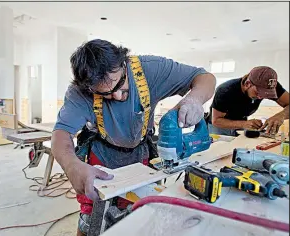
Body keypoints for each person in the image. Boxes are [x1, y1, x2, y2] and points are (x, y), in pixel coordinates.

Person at [51, 39, 216, 235]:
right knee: (91, 217)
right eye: (106, 94)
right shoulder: (79, 91)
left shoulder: (151, 70)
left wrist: (195, 99)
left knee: (140, 211)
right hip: (102, 153)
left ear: (123, 63)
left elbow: (204, 77)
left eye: (120, 84)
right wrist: (72, 165)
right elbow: (61, 133)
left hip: (140, 151)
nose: (118, 97)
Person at [207, 66, 289, 136]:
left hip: (241, 123)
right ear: (247, 84)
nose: (261, 97)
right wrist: (244, 124)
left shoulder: (270, 85)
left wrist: (281, 115)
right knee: (219, 150)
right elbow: (216, 121)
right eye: (258, 93)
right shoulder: (226, 90)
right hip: (219, 126)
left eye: (266, 94)